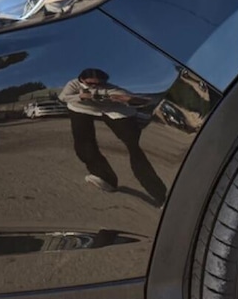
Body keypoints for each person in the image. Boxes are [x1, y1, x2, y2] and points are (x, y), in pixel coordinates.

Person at [58, 68, 168, 205]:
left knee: (134, 146)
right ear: (81, 79)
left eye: (99, 84)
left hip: (112, 110)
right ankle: (104, 177)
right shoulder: (73, 84)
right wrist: (81, 96)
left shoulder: (110, 88)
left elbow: (132, 98)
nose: (95, 86)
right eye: (90, 83)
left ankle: (161, 195)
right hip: (80, 108)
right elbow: (63, 97)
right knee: (83, 144)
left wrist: (129, 99)